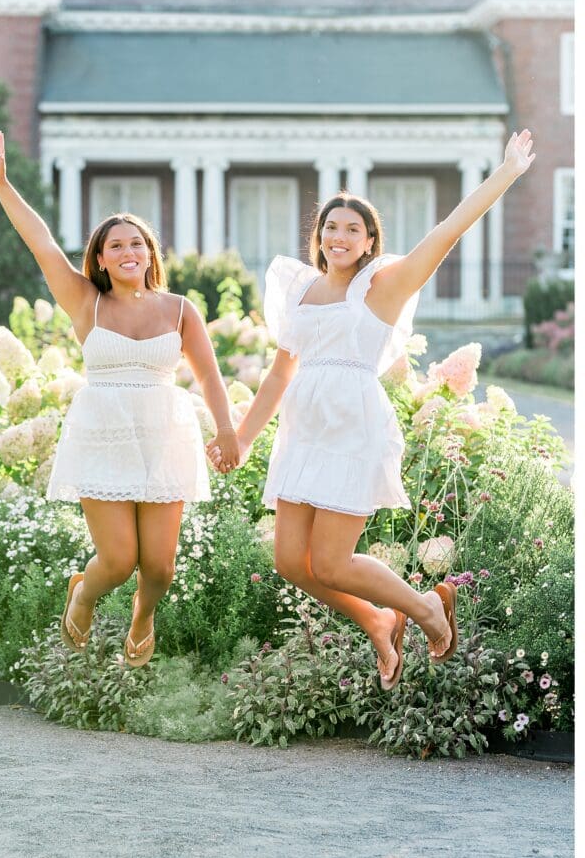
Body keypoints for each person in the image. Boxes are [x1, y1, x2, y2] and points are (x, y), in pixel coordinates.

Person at [207, 130, 535, 691]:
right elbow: (280, 375)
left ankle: (427, 608)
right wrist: (240, 437)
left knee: (332, 563)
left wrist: (506, 171)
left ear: (369, 240)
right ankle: (381, 621)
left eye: (351, 229)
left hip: (352, 428)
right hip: (302, 432)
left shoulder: (380, 288)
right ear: (319, 236)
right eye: (330, 227)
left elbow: (447, 231)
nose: (339, 236)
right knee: (290, 561)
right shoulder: (298, 292)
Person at [0, 131, 239, 665]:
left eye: (137, 243)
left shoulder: (180, 309)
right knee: (120, 560)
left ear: (150, 254)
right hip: (102, 433)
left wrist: (227, 430)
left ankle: (143, 616)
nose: (129, 251)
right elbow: (41, 242)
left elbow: (210, 376)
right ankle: (83, 594)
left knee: (161, 568)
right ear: (100, 259)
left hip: (163, 435)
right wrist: (3, 185)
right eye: (117, 245)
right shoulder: (86, 302)